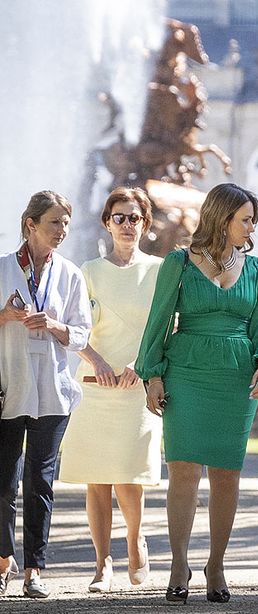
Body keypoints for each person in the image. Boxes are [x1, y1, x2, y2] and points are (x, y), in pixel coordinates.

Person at [136, 183, 258, 604]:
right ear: (222, 217)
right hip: (186, 372)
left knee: (227, 474)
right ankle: (179, 563)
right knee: (183, 470)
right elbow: (158, 322)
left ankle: (216, 563)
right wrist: (153, 375)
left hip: (235, 378)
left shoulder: (254, 270)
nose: (252, 227)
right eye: (246, 219)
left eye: (253, 219)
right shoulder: (178, 264)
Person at [58, 188, 163, 593]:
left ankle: (135, 542)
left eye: (134, 217)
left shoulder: (159, 270)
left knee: (128, 479)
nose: (126, 224)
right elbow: (74, 328)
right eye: (118, 217)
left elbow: (165, 326)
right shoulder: (88, 271)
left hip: (137, 388)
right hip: (95, 387)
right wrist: (98, 363)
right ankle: (103, 564)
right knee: (97, 480)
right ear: (107, 222)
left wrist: (141, 365)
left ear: (145, 223)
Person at [0, 191, 91, 599]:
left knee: (40, 481)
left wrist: (54, 325)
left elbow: (82, 334)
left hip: (52, 393)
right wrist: (3, 316)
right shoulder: (3, 269)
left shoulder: (70, 274)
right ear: (30, 224)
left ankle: (34, 569)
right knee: (4, 481)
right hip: (9, 387)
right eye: (54, 222)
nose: (62, 231)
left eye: (66, 223)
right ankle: (4, 559)